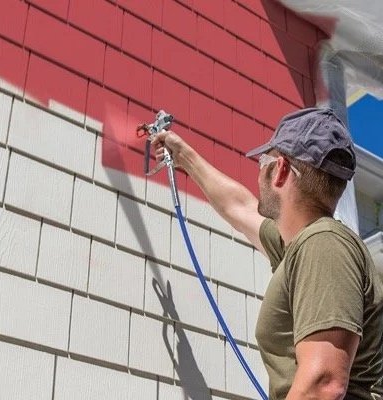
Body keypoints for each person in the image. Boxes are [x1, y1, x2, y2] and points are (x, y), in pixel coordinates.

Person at [151, 108, 383, 400]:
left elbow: (323, 384)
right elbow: (240, 208)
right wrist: (183, 156)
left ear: (281, 169)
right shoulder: (303, 245)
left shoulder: (324, 246)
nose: (259, 170)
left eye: (264, 160)